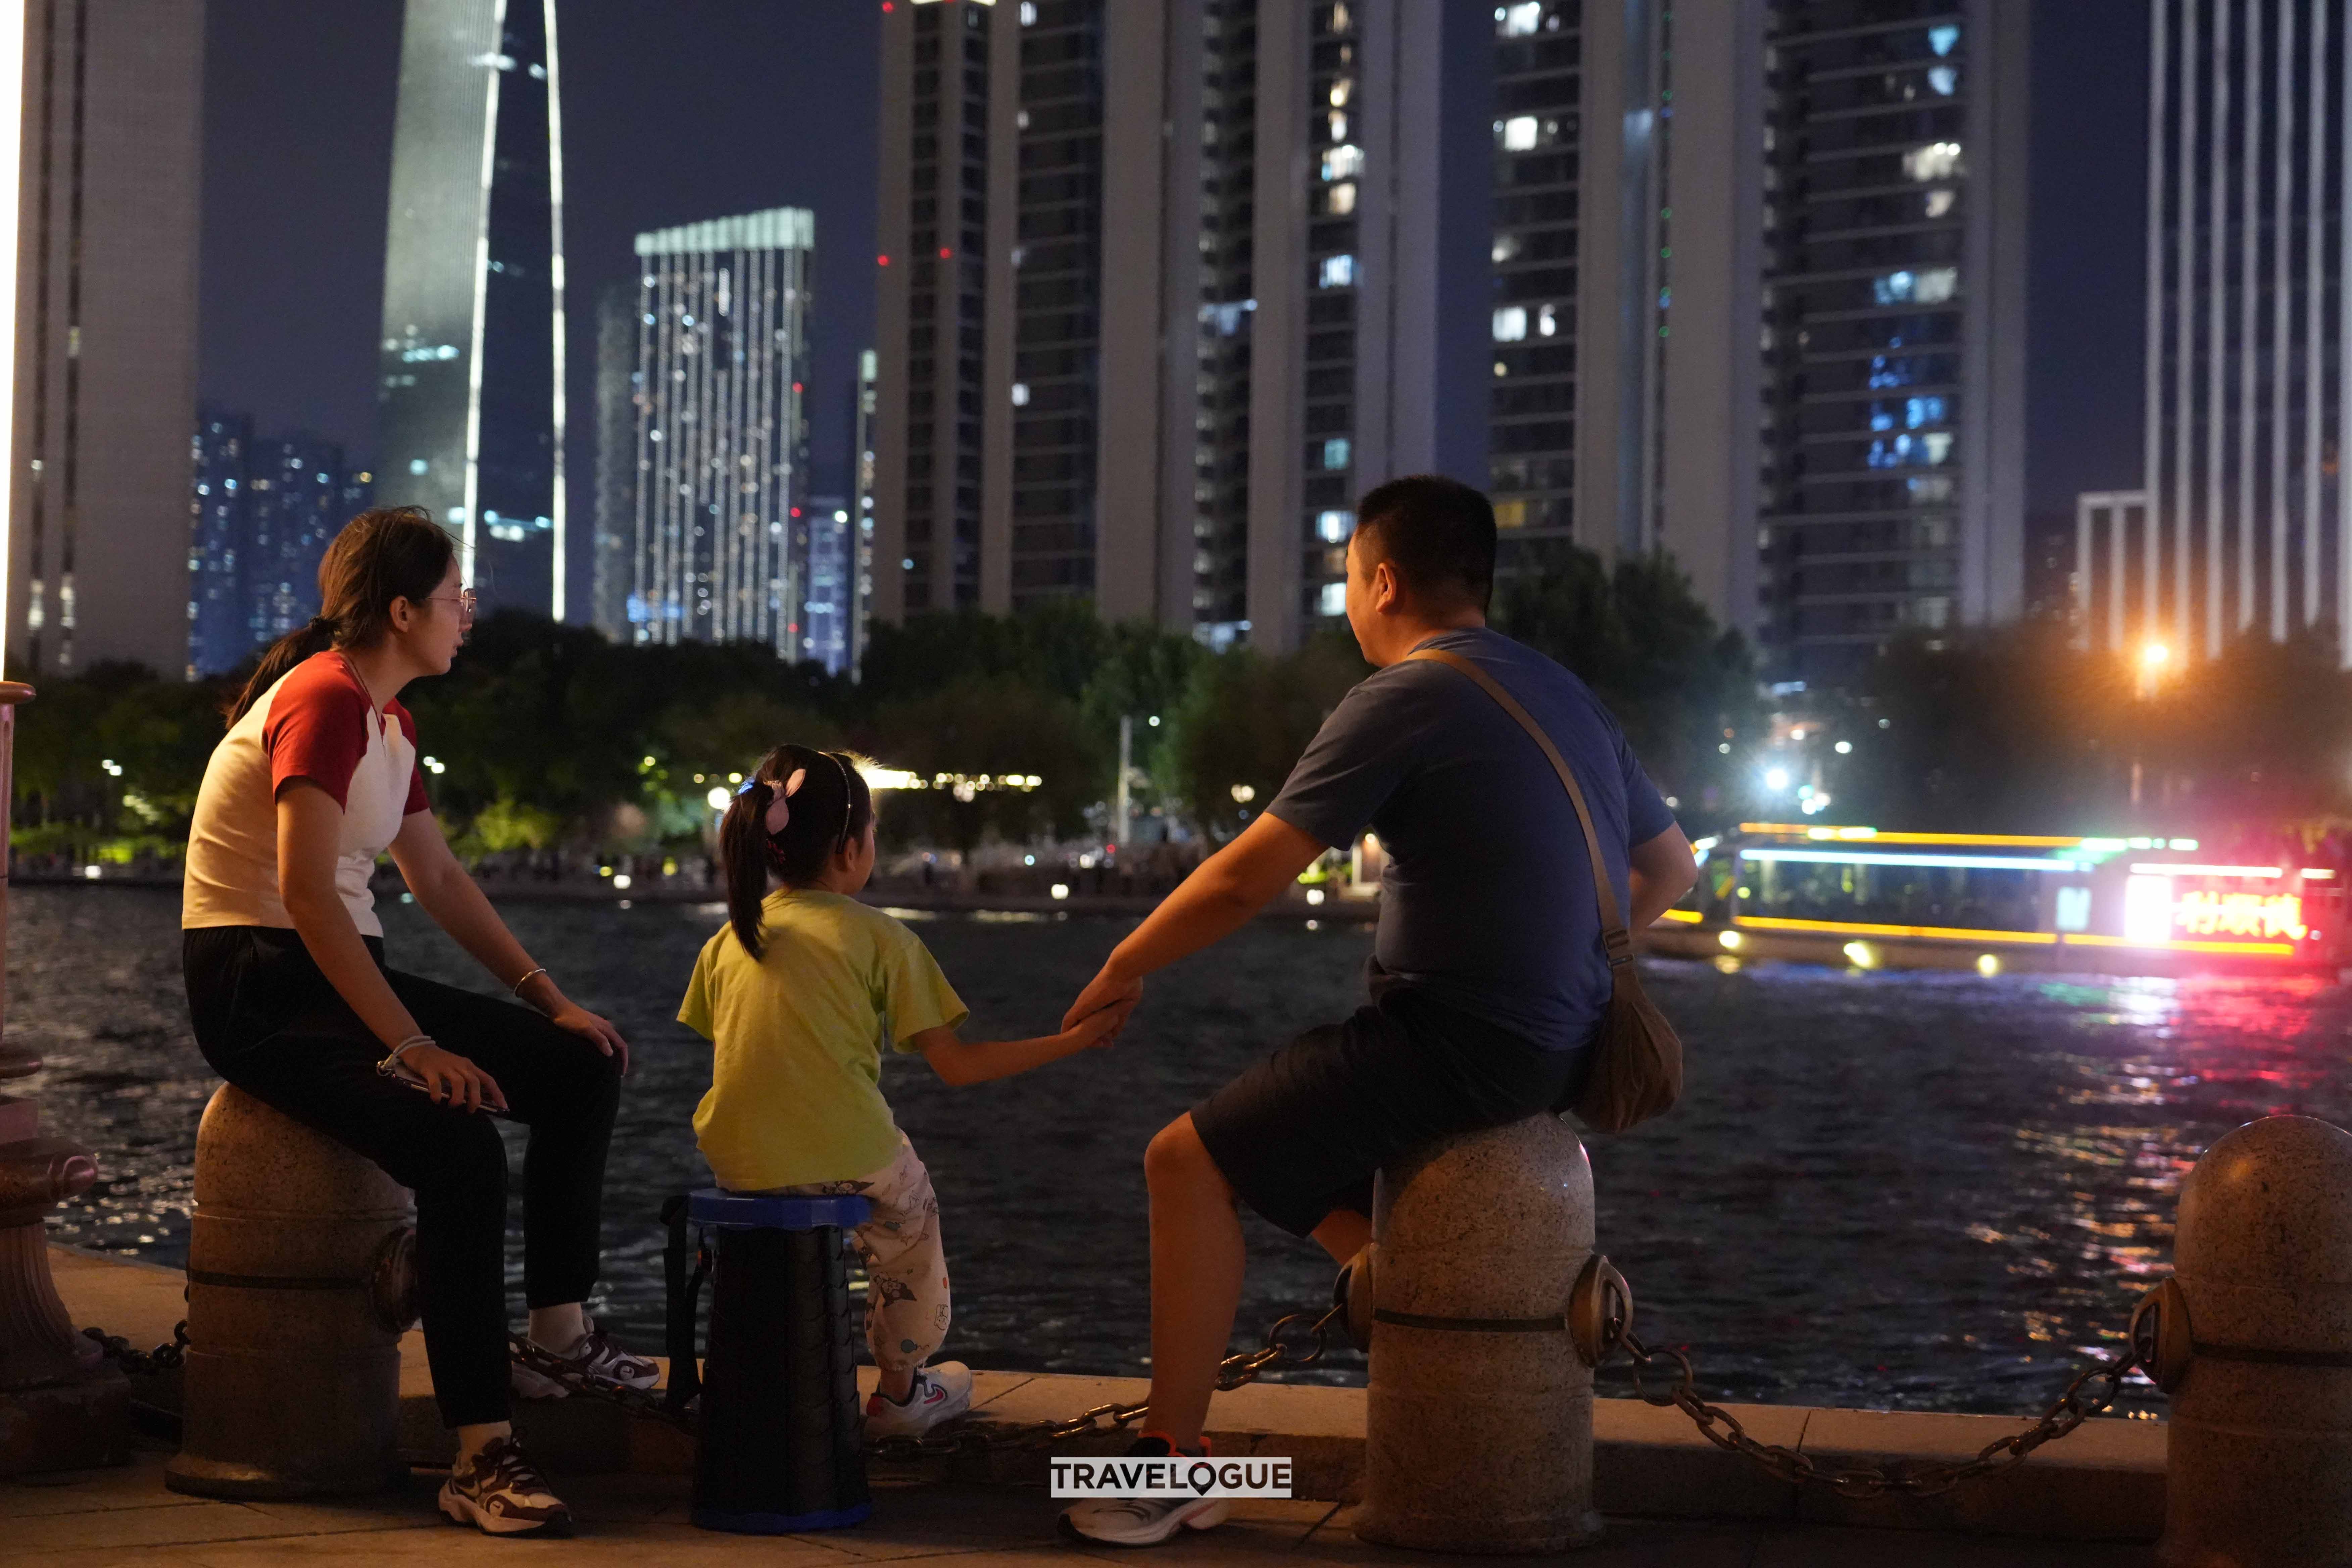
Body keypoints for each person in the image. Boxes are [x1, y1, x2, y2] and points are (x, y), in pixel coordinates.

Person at [1056, 475, 1700, 1547]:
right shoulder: (1564, 691)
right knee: (1288, 1146)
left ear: (1385, 581)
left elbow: (1243, 880)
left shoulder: (1407, 694)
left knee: (1185, 1161)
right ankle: (1395, 1271)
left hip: (1460, 1041)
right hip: (1565, 1043)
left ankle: (1170, 1466)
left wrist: (1124, 960)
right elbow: (1670, 869)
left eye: (1347, 580)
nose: (1347, 602)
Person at [181, 508, 654, 1539]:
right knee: (459, 1147)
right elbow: (305, 896)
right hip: (258, 982)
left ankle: (558, 1338)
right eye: (453, 599)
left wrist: (547, 997)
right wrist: (412, 1047)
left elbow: (434, 876)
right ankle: (481, 1454)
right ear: (401, 612)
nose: (468, 615)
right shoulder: (323, 701)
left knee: (578, 1068)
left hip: (338, 967)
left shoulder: (387, 718)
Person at [681, 743, 1133, 1436]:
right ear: (851, 846)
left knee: (831, 1179)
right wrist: (1072, 1040)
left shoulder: (727, 939)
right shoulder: (881, 938)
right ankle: (900, 1391)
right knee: (909, 1223)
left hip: (737, 1159)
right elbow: (958, 1064)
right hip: (845, 1151)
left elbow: (749, 1053)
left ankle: (767, 1370)